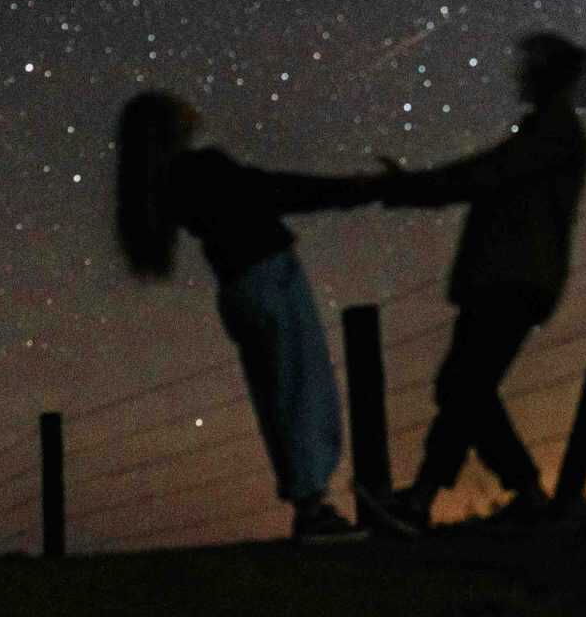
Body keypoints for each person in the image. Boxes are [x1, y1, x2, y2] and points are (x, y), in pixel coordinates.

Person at [113, 89, 386, 543]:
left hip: (240, 289)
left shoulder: (166, 182)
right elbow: (276, 190)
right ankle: (314, 512)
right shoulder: (200, 169)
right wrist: (360, 189)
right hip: (269, 280)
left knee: (279, 398)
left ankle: (310, 505)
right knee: (302, 393)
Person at [362, 32, 586, 534]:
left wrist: (407, 187)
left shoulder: (552, 134)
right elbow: (487, 175)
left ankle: (477, 498)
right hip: (511, 277)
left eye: (529, 67)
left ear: (547, 75)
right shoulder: (549, 132)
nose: (519, 74)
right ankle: (483, 497)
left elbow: (482, 175)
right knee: (465, 386)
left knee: (463, 385)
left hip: (511, 277)